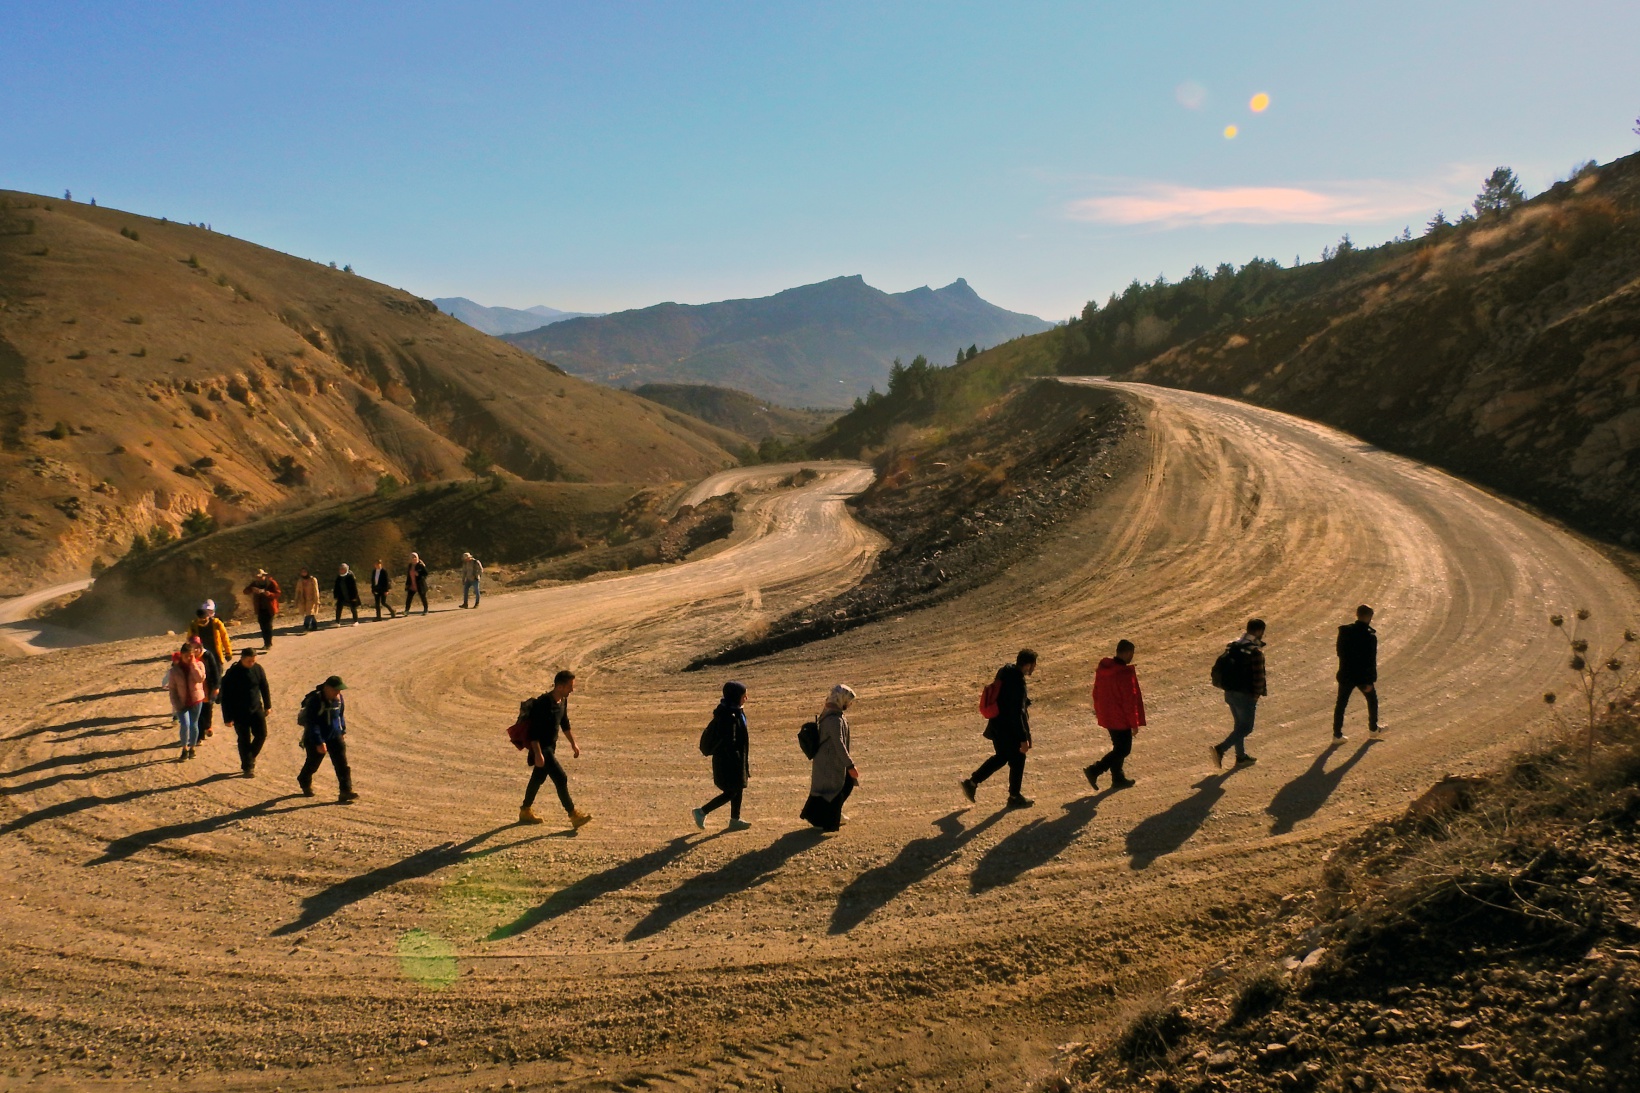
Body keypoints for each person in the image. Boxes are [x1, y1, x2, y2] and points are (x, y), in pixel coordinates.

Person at [960, 650, 1037, 808]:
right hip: (1009, 730)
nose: (1034, 669)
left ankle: (972, 783)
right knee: (1017, 758)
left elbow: (1004, 697)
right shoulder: (1018, 682)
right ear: (1028, 665)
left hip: (996, 725)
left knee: (1002, 757)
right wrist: (1023, 739)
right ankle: (1013, 797)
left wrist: (1023, 700)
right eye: (1033, 665)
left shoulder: (1005, 671)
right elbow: (1016, 714)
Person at [518, 670, 592, 829]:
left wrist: (573, 743)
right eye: (570, 686)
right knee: (561, 778)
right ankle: (573, 815)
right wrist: (537, 754)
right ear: (559, 686)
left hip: (551, 747)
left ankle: (525, 810)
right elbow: (533, 732)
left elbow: (564, 723)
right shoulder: (542, 703)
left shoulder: (563, 700)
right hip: (541, 748)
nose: (572, 690)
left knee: (538, 778)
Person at [1085, 639, 1146, 790]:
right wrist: (1134, 723)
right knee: (1123, 749)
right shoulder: (1124, 673)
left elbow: (1096, 692)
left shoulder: (1104, 668)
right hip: (1120, 717)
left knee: (1118, 747)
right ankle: (1095, 770)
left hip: (1107, 714)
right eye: (1131, 653)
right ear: (1127, 653)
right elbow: (1129, 702)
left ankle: (1118, 777)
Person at [693, 681, 752, 831]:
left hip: (736, 759)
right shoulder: (728, 716)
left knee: (738, 788)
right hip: (728, 762)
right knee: (731, 792)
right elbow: (729, 743)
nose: (746, 698)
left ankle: (735, 819)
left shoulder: (735, 711)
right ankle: (701, 812)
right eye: (744, 696)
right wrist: (738, 761)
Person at [801, 684, 858, 832]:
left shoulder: (832, 713)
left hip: (831, 761)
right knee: (835, 789)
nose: (849, 704)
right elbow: (838, 742)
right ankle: (828, 819)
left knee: (833, 789)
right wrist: (850, 765)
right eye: (848, 701)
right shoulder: (834, 719)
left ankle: (832, 815)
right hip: (829, 763)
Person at [1211, 619, 1268, 768]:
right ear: (1258, 631)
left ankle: (1241, 757)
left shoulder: (1233, 646)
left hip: (1229, 692)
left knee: (1239, 726)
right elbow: (1259, 677)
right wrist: (1256, 695)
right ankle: (1220, 749)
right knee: (1246, 728)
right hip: (1245, 695)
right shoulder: (1255, 651)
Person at [297, 675, 357, 802]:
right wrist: (319, 742)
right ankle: (304, 780)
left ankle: (345, 791)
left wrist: (342, 731)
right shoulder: (314, 701)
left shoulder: (339, 698)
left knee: (342, 765)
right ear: (327, 688)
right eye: (336, 690)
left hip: (335, 735)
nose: (338, 692)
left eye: (339, 690)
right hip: (315, 737)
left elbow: (340, 715)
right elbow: (312, 723)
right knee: (313, 763)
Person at [219, 646, 271, 776]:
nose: (251, 663)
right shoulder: (232, 674)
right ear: (242, 659)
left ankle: (249, 758)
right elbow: (225, 697)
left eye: (253, 661)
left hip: (256, 708)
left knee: (262, 734)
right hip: (239, 712)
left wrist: (268, 705)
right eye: (249, 661)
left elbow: (264, 686)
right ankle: (248, 767)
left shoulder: (258, 669)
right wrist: (227, 717)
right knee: (244, 739)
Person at [1335, 604, 1384, 739]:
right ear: (1369, 617)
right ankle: (1373, 729)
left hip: (1345, 673)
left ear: (1357, 615)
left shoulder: (1344, 632)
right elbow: (1370, 660)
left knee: (1341, 704)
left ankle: (1337, 735)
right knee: (1372, 700)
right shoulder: (1369, 637)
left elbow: (1339, 652)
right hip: (1362, 676)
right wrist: (1370, 680)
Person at [166, 642, 207, 761]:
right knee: (185, 725)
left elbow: (200, 679)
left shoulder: (199, 665)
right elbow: (172, 689)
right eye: (186, 656)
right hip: (181, 702)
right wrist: (176, 703)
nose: (189, 658)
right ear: (181, 655)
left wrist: (193, 664)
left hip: (196, 699)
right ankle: (184, 749)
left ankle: (192, 748)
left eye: (191, 656)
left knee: (194, 724)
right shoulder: (174, 670)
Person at [190, 634, 222, 741]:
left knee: (207, 708)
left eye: (197, 647)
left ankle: (208, 726)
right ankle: (200, 735)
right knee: (198, 711)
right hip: (195, 689)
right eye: (192, 647)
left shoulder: (207, 655)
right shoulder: (188, 658)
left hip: (207, 687)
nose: (195, 650)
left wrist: (217, 686)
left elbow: (215, 671)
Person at [243, 569, 282, 649]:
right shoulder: (255, 584)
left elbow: (278, 593)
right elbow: (245, 591)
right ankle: (266, 643)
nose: (259, 578)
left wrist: (270, 594)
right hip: (260, 608)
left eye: (260, 577)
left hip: (269, 608)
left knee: (268, 626)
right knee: (262, 626)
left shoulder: (271, 583)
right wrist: (252, 589)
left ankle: (268, 643)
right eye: (257, 577)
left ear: (264, 576)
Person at [186, 599, 232, 664]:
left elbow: (225, 638)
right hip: (201, 657)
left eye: (210, 611)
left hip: (216, 656)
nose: (208, 613)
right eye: (207, 611)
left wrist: (228, 652)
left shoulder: (217, 624)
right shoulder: (194, 625)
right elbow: (189, 641)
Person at [294, 568, 321, 633]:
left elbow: (316, 590)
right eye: (302, 572)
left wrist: (317, 599)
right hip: (302, 599)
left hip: (311, 599)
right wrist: (296, 599)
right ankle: (314, 626)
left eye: (305, 572)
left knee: (309, 613)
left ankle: (306, 626)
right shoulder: (300, 581)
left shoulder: (313, 580)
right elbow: (297, 590)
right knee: (309, 613)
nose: (303, 573)